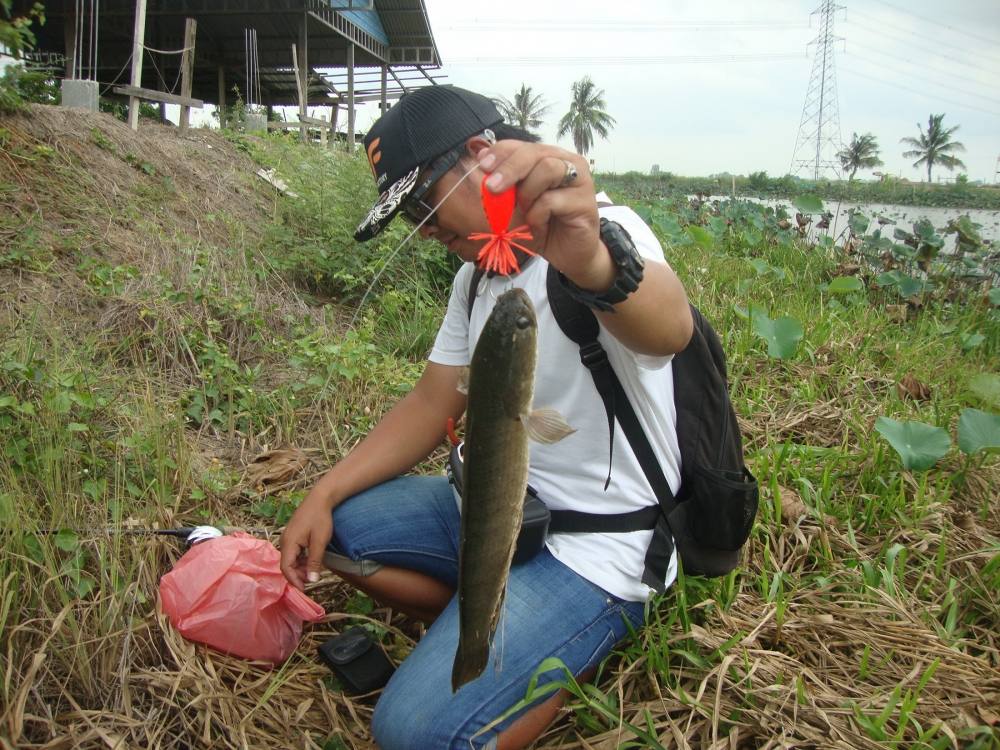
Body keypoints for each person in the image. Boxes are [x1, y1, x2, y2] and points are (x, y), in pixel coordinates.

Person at [279, 85, 694, 750]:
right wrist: (323, 490)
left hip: (592, 548)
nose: (426, 229)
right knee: (340, 531)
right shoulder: (476, 275)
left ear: (481, 155)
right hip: (485, 507)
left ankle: (563, 650)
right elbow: (431, 401)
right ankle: (484, 623)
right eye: (409, 216)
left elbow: (669, 329)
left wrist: (589, 260)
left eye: (423, 202)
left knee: (413, 733)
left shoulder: (602, 235)